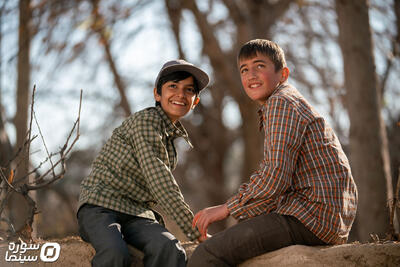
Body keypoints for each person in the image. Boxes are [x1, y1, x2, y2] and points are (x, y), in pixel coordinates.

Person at [188, 39, 358, 267]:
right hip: (323, 217)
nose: (251, 75)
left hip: (311, 216)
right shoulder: (287, 101)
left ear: (283, 74)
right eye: (244, 69)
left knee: (206, 254)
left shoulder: (281, 103)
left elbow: (274, 177)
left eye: (260, 66)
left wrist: (225, 209)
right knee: (224, 245)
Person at [77, 59, 209, 267]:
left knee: (169, 249)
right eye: (172, 86)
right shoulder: (147, 122)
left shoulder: (170, 138)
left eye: (189, 90)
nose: (181, 95)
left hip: (137, 214)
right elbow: (161, 182)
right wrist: (195, 231)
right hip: (100, 206)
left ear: (195, 101)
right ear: (157, 93)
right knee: (114, 252)